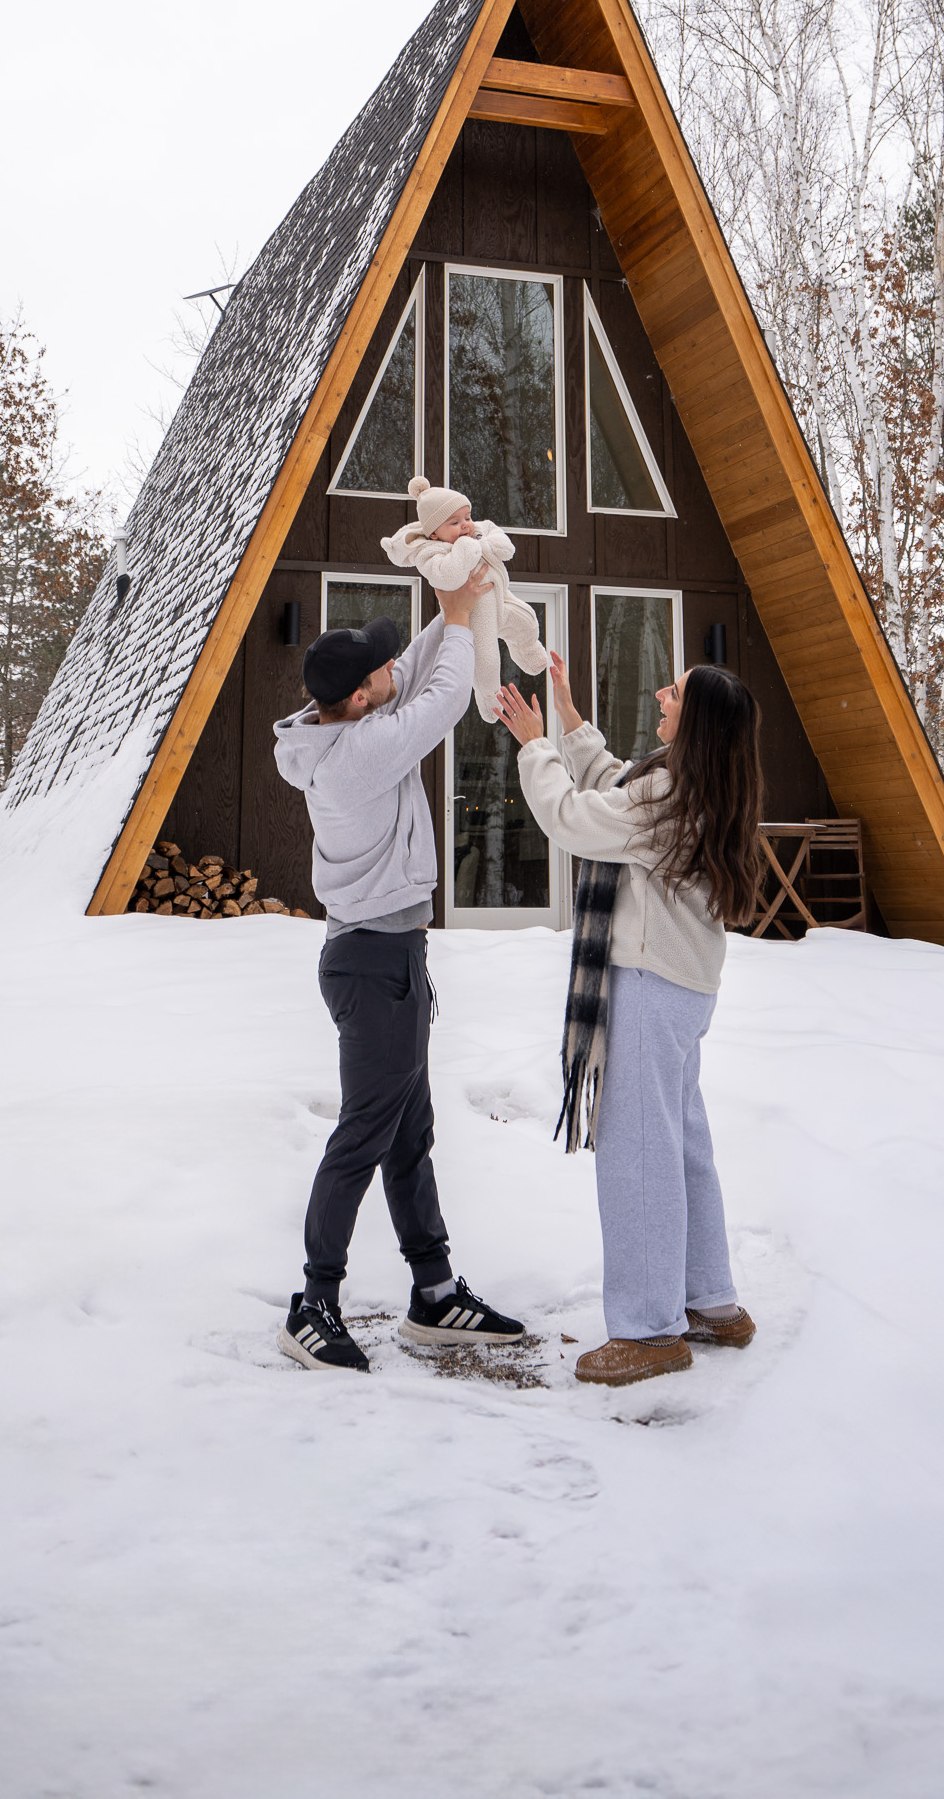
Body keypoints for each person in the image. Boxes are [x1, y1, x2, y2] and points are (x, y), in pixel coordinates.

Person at [272, 573, 527, 1373]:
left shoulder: (354, 717)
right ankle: (313, 1303)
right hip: (372, 964)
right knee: (364, 1137)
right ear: (355, 699)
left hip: (395, 958)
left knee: (408, 1135)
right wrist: (455, 617)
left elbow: (419, 666)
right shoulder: (355, 756)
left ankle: (434, 1292)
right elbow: (443, 695)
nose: (393, 672)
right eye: (377, 674)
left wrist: (451, 592)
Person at [495, 657, 764, 1389]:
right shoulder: (701, 784)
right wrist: (572, 719)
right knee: (680, 1146)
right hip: (683, 988)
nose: (659, 693)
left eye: (673, 691)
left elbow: (577, 818)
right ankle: (710, 1299)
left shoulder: (671, 797)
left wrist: (533, 743)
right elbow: (618, 783)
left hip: (649, 987)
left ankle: (650, 1331)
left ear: (696, 721)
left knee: (639, 1154)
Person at [380, 474, 547, 722]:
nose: (467, 525)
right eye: (455, 522)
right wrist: (467, 549)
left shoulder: (477, 531)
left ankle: (527, 651)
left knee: (527, 620)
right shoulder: (429, 552)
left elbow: (504, 544)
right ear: (434, 533)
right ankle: (490, 701)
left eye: (467, 517)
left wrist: (487, 544)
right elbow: (447, 576)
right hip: (476, 615)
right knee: (486, 660)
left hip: (500, 599)